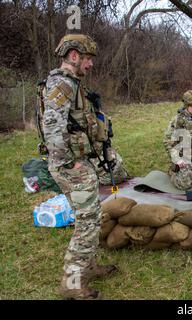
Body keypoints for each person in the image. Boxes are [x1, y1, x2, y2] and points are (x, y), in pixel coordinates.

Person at [42, 34, 117, 299]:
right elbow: (52, 125)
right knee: (87, 222)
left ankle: (88, 266)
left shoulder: (73, 85)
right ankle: (72, 284)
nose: (91, 64)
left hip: (78, 161)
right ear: (74, 55)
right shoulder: (62, 84)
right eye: (88, 59)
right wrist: (68, 162)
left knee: (92, 216)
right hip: (70, 166)